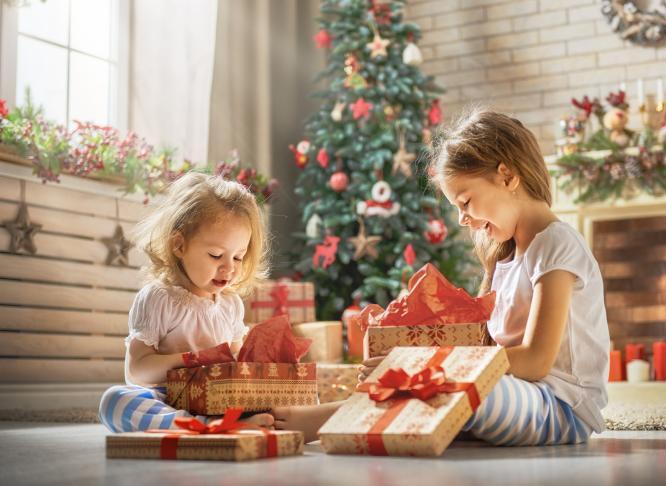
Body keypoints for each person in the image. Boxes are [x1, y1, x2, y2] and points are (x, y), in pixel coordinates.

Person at [275, 109, 610, 446]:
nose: (462, 219)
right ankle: (338, 417)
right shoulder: (503, 259)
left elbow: (536, 361)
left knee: (446, 383)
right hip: (513, 396)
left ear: (507, 177)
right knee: (433, 384)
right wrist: (404, 365)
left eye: (465, 202)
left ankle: (328, 419)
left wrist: (423, 366)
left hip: (561, 407)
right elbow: (484, 351)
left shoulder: (556, 243)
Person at [99, 172, 274, 432]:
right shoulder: (160, 299)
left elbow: (239, 359)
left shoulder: (230, 304)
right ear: (179, 246)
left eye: (238, 257)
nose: (229, 268)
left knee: (282, 398)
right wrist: (192, 359)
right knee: (114, 402)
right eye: (216, 255)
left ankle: (234, 422)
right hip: (170, 398)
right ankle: (207, 426)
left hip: (218, 397)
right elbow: (136, 372)